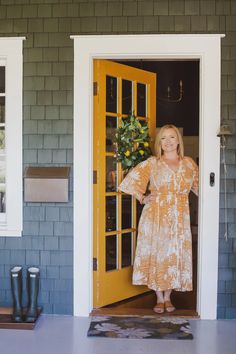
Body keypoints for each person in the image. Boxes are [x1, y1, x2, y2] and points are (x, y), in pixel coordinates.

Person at [118, 124, 199, 314]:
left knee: (173, 254)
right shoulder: (152, 163)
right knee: (157, 253)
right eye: (163, 138)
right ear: (159, 142)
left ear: (178, 140)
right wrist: (143, 197)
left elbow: (200, 188)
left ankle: (168, 296)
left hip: (179, 216)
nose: (168, 142)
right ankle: (159, 297)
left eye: (172, 137)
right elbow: (130, 181)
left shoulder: (188, 164)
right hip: (155, 214)